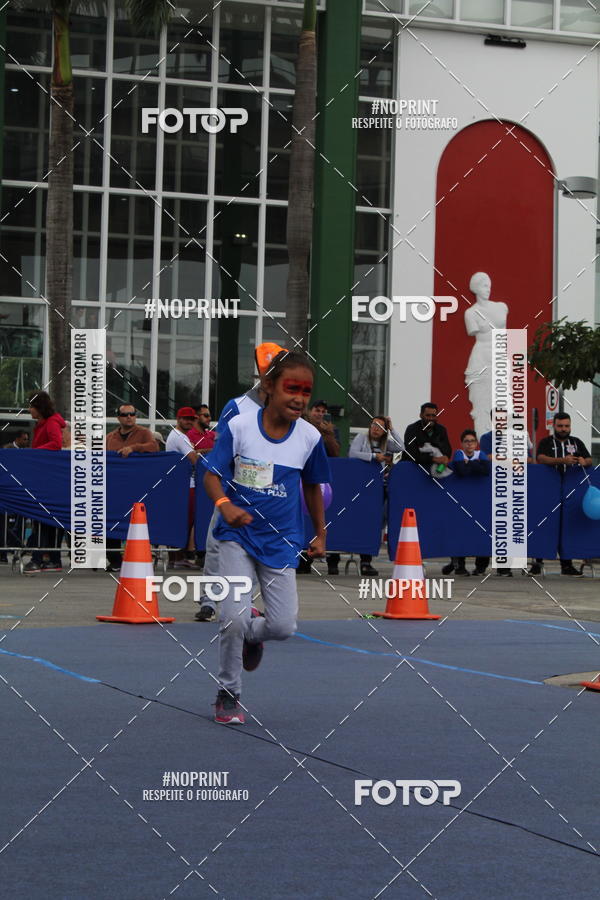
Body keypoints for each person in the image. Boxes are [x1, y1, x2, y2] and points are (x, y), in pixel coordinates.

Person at [204, 349, 330, 725]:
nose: (299, 398)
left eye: (306, 392)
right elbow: (211, 473)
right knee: (231, 617)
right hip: (236, 536)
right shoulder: (240, 426)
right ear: (269, 387)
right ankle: (229, 692)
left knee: (283, 626)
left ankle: (251, 634)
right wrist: (225, 505)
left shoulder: (309, 437)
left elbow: (313, 487)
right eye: (291, 388)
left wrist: (320, 534)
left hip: (281, 542)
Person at [194, 342, 280, 622]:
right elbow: (221, 449)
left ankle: (245, 601)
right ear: (262, 379)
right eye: (270, 377)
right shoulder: (238, 406)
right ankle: (208, 601)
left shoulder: (284, 410)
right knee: (216, 544)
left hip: (267, 492)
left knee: (258, 547)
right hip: (232, 487)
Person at [529, 412, 593, 577]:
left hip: (571, 493)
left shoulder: (576, 442)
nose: (564, 429)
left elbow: (589, 459)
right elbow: (541, 458)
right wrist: (561, 461)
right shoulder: (546, 442)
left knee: (567, 527)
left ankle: (567, 565)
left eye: (566, 426)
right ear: (554, 426)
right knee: (544, 526)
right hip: (547, 492)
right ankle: (537, 563)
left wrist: (583, 462)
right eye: (560, 426)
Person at [105, 405, 159, 571]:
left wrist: (134, 448)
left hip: (137, 487)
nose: (129, 417)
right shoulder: (110, 436)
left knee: (137, 523)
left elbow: (154, 447)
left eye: (132, 414)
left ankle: (140, 557)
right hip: (114, 487)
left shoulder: (144, 433)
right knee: (111, 522)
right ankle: (114, 559)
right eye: (125, 414)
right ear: (118, 417)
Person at [348, 416, 404, 576]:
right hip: (364, 487)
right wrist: (374, 457)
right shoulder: (362, 438)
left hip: (382, 487)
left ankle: (368, 559)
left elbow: (402, 448)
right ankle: (364, 560)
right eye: (374, 424)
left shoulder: (387, 443)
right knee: (365, 522)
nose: (376, 428)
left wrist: (392, 429)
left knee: (379, 522)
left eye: (381, 426)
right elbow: (352, 453)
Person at [23, 392, 66, 574]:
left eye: (32, 406)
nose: (29, 410)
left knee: (42, 520)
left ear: (39, 408)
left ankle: (38, 558)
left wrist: (34, 453)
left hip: (47, 480)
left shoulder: (51, 423)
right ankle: (52, 559)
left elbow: (56, 443)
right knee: (47, 522)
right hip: (46, 478)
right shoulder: (47, 423)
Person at [298, 399, 340, 574]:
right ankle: (300, 557)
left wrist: (328, 435)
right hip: (301, 476)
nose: (320, 414)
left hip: (319, 478)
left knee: (319, 513)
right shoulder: (301, 426)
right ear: (310, 411)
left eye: (323, 411)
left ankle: (330, 556)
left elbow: (335, 452)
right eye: (317, 410)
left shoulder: (331, 430)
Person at [464, 272, 508, 437]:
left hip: (500, 356)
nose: (488, 289)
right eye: (484, 285)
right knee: (481, 401)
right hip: (481, 357)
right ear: (475, 288)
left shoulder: (501, 307)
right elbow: (473, 332)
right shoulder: (471, 313)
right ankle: (483, 439)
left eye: (489, 285)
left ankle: (502, 440)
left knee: (502, 399)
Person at [443, 430, 491, 576]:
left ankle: (481, 566)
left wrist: (469, 463)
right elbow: (462, 472)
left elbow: (485, 471)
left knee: (482, 531)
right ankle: (458, 565)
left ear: (476, 443)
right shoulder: (458, 453)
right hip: (460, 500)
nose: (469, 444)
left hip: (479, 502)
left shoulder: (480, 454)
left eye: (472, 441)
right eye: (466, 441)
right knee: (459, 531)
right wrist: (474, 465)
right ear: (462, 443)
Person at [165, 407, 201, 569]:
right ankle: (179, 556)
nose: (189, 421)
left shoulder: (176, 435)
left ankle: (176, 557)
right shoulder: (181, 437)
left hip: (179, 484)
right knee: (187, 520)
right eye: (185, 418)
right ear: (178, 419)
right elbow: (194, 460)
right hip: (186, 485)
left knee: (180, 520)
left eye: (191, 419)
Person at [402, 402, 451, 471]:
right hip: (412, 470)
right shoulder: (412, 429)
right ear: (421, 415)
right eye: (428, 415)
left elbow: (447, 449)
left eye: (434, 415)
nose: (431, 418)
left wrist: (445, 457)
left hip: (436, 471)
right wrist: (433, 459)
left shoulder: (441, 430)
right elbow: (411, 453)